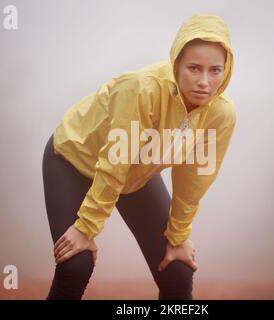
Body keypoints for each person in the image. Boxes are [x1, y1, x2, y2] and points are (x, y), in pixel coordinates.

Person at [42, 14, 236, 300]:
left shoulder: (219, 114)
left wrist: (178, 236)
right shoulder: (141, 89)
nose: (205, 82)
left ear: (226, 71)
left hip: (134, 173)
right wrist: (86, 228)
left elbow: (194, 178)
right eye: (194, 68)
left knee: (178, 269)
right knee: (76, 265)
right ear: (176, 64)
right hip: (73, 160)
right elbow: (115, 163)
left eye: (215, 70)